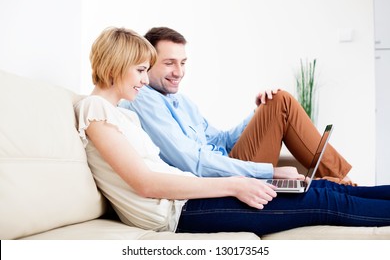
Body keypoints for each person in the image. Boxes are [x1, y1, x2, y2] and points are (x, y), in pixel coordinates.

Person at [74, 26, 390, 236]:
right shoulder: (97, 109)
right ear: (116, 66)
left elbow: (178, 162)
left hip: (188, 199)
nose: (144, 81)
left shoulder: (118, 115)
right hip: (182, 211)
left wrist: (256, 123)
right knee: (326, 201)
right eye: (141, 70)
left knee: (327, 190)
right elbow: (145, 184)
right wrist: (239, 183)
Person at [119, 27, 353, 185]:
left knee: (275, 100)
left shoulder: (182, 102)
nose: (179, 72)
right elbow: (193, 162)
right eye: (169, 63)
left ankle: (344, 183)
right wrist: (270, 172)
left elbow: (220, 141)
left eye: (182, 63)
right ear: (148, 63)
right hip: (220, 182)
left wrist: (258, 113)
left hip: (228, 162)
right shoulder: (143, 98)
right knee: (281, 101)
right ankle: (346, 185)